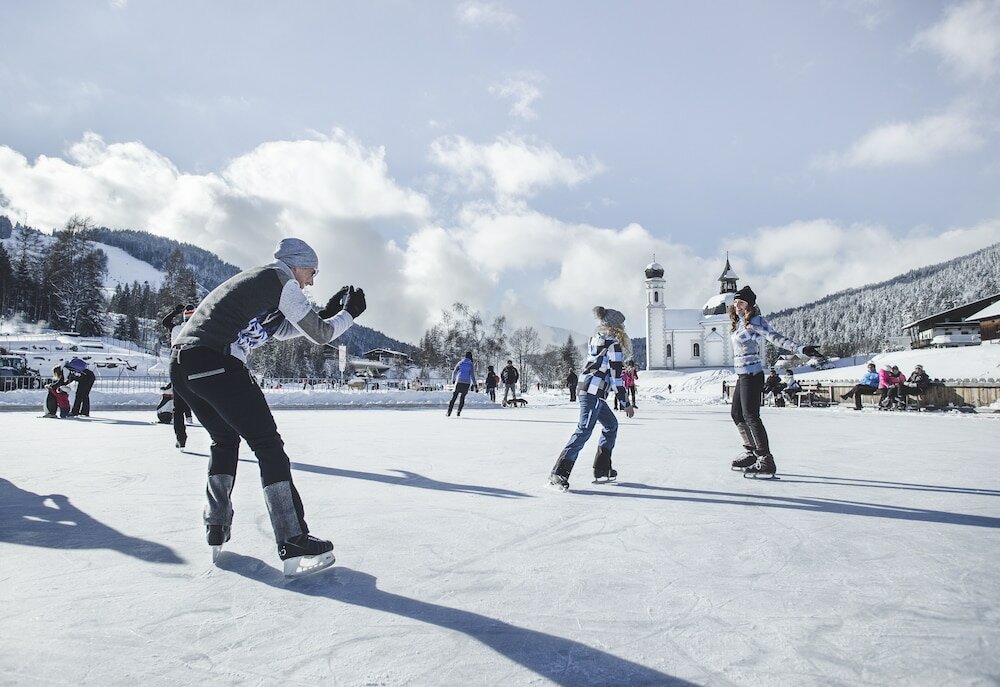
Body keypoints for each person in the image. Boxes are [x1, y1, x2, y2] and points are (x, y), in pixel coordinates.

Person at [170, 237, 363, 577]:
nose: (311, 281)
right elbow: (320, 335)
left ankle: (216, 524)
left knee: (225, 441)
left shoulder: (263, 286)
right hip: (217, 361)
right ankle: (293, 539)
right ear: (297, 263)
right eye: (311, 272)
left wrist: (329, 312)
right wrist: (349, 314)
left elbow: (288, 329)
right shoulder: (280, 280)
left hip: (184, 366)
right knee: (268, 447)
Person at [727, 286, 820, 478]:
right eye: (736, 302)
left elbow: (775, 338)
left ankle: (765, 459)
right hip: (742, 374)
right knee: (737, 414)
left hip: (752, 375)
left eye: (741, 302)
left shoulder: (755, 321)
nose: (737, 306)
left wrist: (800, 349)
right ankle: (752, 453)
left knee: (751, 416)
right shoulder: (738, 323)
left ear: (750, 305)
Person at [549, 306, 634, 491]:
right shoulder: (613, 345)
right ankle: (559, 472)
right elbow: (616, 377)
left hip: (590, 390)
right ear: (615, 327)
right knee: (584, 430)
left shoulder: (594, 340)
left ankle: (602, 469)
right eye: (622, 325)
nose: (624, 328)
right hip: (592, 392)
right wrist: (626, 403)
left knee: (611, 424)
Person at [162, 303, 196, 447]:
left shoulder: (176, 329)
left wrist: (175, 311)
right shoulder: (199, 328)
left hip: (176, 365)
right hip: (195, 366)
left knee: (178, 407)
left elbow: (165, 322)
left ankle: (180, 438)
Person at [448, 351, 474, 417]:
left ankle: (449, 411)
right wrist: (475, 385)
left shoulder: (460, 363)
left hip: (459, 381)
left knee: (454, 397)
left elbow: (454, 371)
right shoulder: (471, 364)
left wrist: (453, 380)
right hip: (466, 383)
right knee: (462, 398)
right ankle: (459, 411)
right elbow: (472, 375)